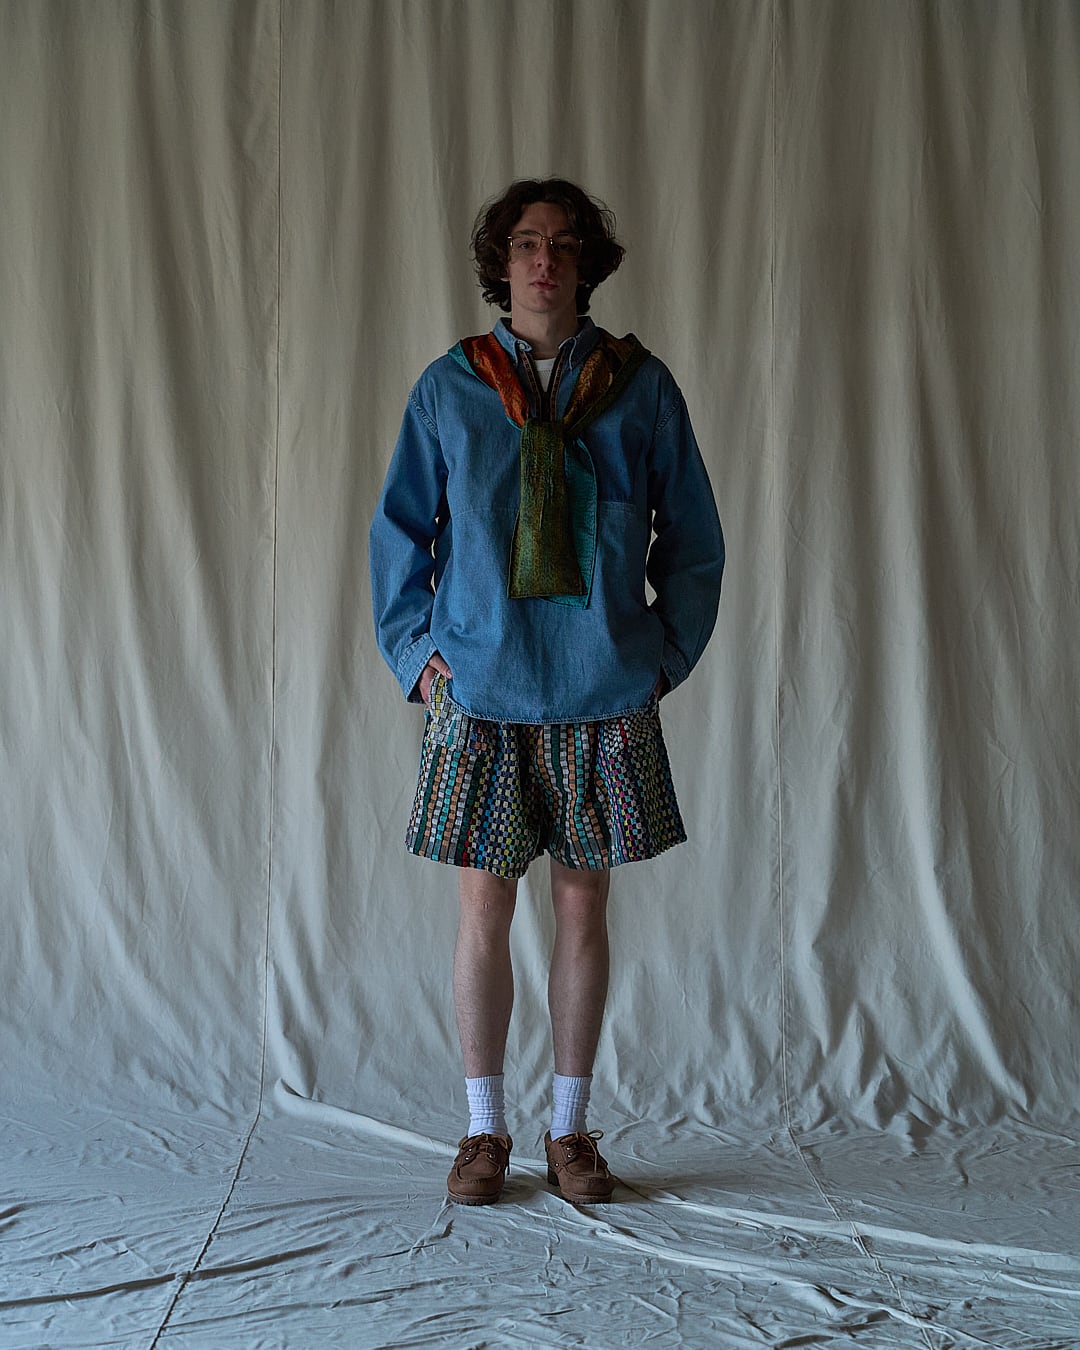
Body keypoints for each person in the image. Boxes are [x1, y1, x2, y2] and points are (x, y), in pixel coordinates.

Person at [370, 178, 724, 1206]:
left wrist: (664, 652)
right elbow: (399, 531)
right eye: (526, 243)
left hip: (602, 688)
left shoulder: (639, 387)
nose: (544, 261)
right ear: (501, 262)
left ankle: (571, 1131)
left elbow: (693, 537)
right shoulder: (451, 388)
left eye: (564, 245)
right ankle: (484, 1130)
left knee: (583, 905)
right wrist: (417, 652)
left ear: (585, 265)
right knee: (483, 908)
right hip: (479, 688)